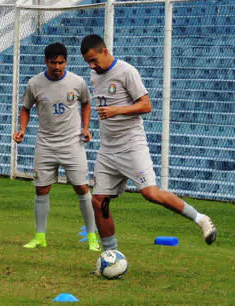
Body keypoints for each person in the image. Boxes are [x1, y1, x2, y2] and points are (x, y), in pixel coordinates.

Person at [79, 34, 217, 251]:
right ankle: (110, 255)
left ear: (105, 51)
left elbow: (146, 105)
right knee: (99, 201)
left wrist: (118, 110)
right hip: (108, 149)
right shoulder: (95, 76)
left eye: (94, 60)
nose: (92, 65)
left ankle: (200, 218)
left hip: (132, 145)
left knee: (150, 194)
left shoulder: (126, 72)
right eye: (88, 62)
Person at [13, 43, 100, 251]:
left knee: (81, 187)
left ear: (66, 62)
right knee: (41, 189)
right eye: (53, 62)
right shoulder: (35, 83)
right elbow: (25, 108)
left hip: (72, 144)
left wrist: (85, 128)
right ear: (46, 62)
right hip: (45, 144)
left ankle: (92, 237)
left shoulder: (77, 82)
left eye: (61, 62)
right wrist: (22, 129)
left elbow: (87, 103)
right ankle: (40, 236)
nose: (57, 66)